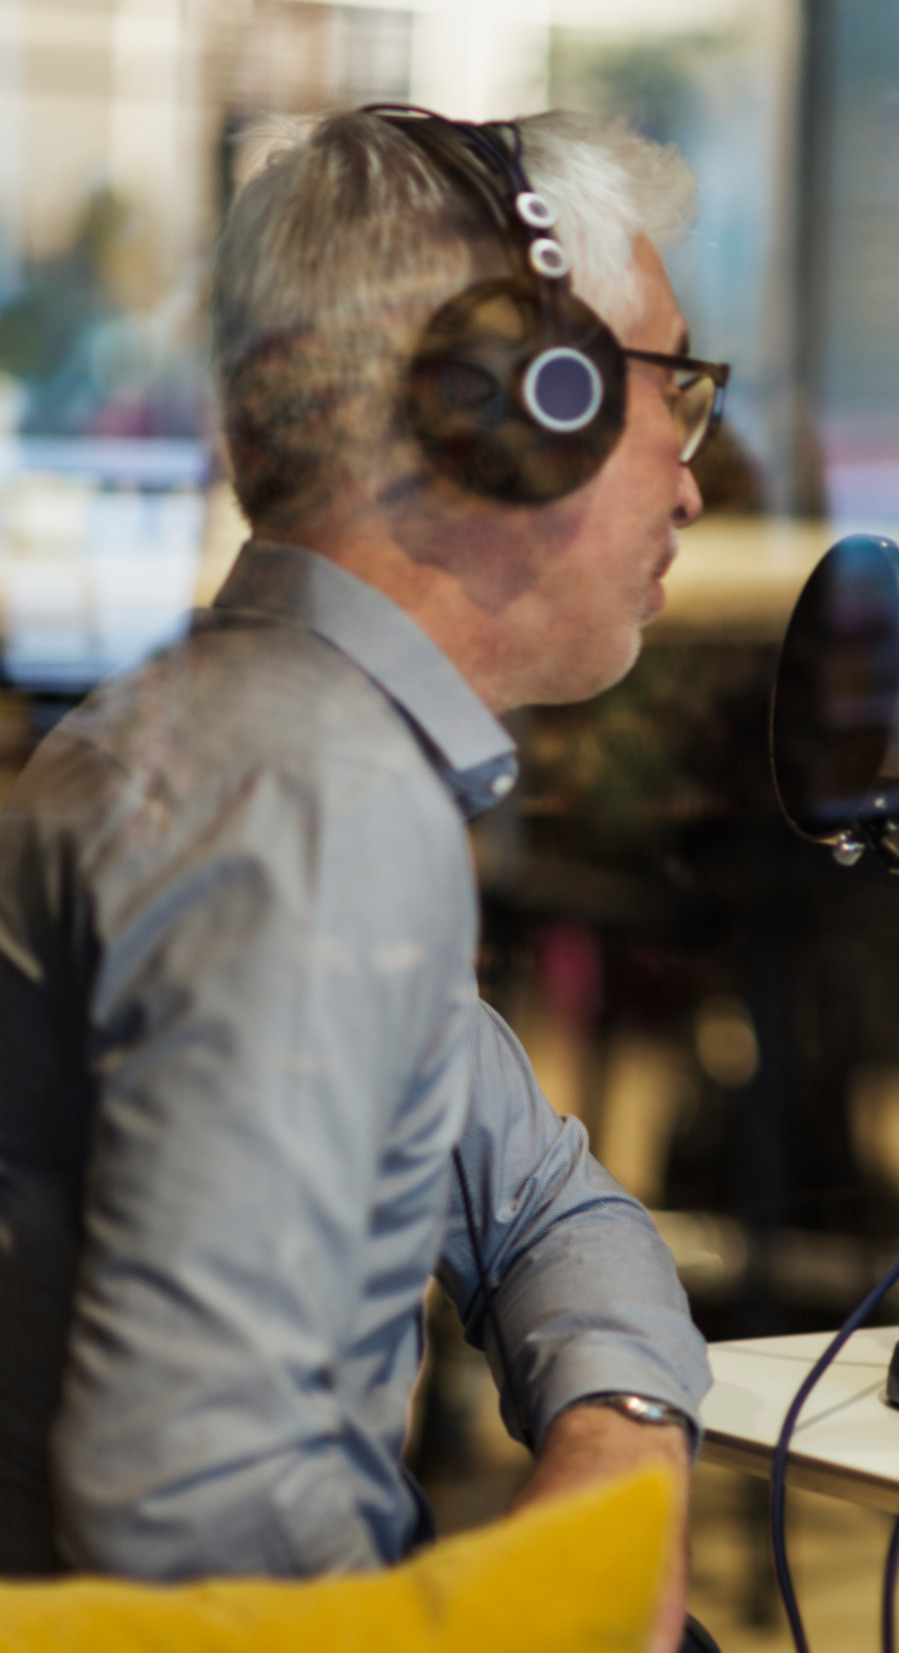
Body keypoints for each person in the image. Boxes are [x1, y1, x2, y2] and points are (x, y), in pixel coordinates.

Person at [0, 106, 721, 1649]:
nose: (690, 485)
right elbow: (194, 1511)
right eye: (680, 392)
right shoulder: (303, 808)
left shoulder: (273, 745)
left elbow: (539, 1203)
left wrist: (620, 1433)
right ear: (526, 404)